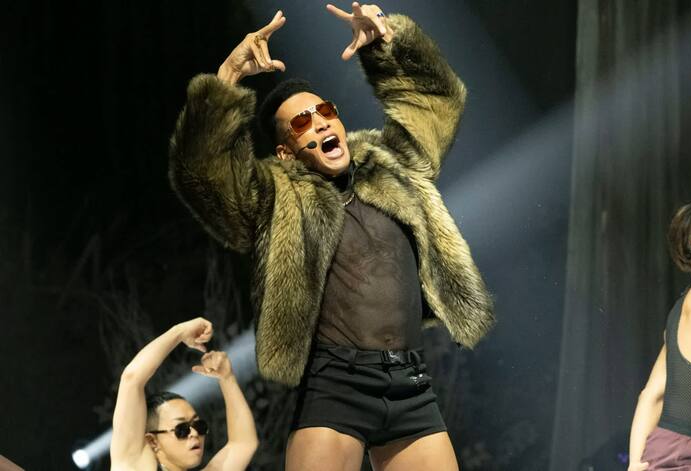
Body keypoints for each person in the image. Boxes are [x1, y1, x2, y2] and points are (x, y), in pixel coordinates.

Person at [168, 3, 494, 470]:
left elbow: (439, 104)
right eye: (302, 122)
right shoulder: (278, 198)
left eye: (324, 111)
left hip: (411, 384)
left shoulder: (391, 163)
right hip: (336, 386)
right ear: (286, 153)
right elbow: (204, 178)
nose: (320, 122)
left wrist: (387, 45)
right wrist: (228, 78)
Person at [109, 317, 258, 471]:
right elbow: (132, 379)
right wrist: (179, 332)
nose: (194, 433)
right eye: (182, 429)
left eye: (199, 426)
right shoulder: (132, 466)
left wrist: (227, 378)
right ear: (153, 442)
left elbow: (244, 443)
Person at [627, 198, 691, 471]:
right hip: (690, 455)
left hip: (666, 452)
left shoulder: (678, 313)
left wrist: (636, 464)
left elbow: (652, 395)